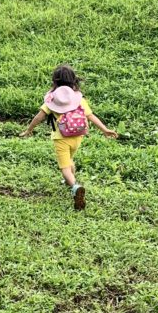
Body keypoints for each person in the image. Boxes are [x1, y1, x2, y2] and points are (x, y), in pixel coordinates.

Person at [20, 64, 118, 210]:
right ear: (73, 80)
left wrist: (29, 130)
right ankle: (70, 182)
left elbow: (38, 117)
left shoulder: (52, 100)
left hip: (61, 138)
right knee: (70, 159)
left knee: (65, 167)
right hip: (77, 137)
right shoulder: (79, 100)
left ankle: (75, 186)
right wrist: (105, 130)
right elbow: (90, 116)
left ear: (55, 81)